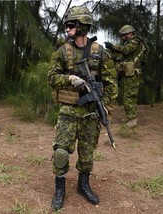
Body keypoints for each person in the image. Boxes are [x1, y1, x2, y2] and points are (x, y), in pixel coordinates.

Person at [47, 6, 118, 211]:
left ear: (83, 27)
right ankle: (59, 188)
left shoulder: (99, 52)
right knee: (61, 151)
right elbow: (51, 78)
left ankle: (83, 185)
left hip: (91, 112)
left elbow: (111, 82)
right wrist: (69, 78)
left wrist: (107, 110)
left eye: (71, 24)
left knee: (87, 153)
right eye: (67, 24)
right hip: (69, 111)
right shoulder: (62, 51)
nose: (67, 28)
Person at [105, 25, 148, 128]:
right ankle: (130, 117)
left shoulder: (135, 42)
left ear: (129, 34)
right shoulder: (129, 42)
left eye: (123, 35)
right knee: (127, 96)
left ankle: (132, 119)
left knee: (130, 96)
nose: (122, 37)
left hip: (133, 75)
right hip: (128, 74)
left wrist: (112, 47)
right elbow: (121, 56)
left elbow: (125, 50)